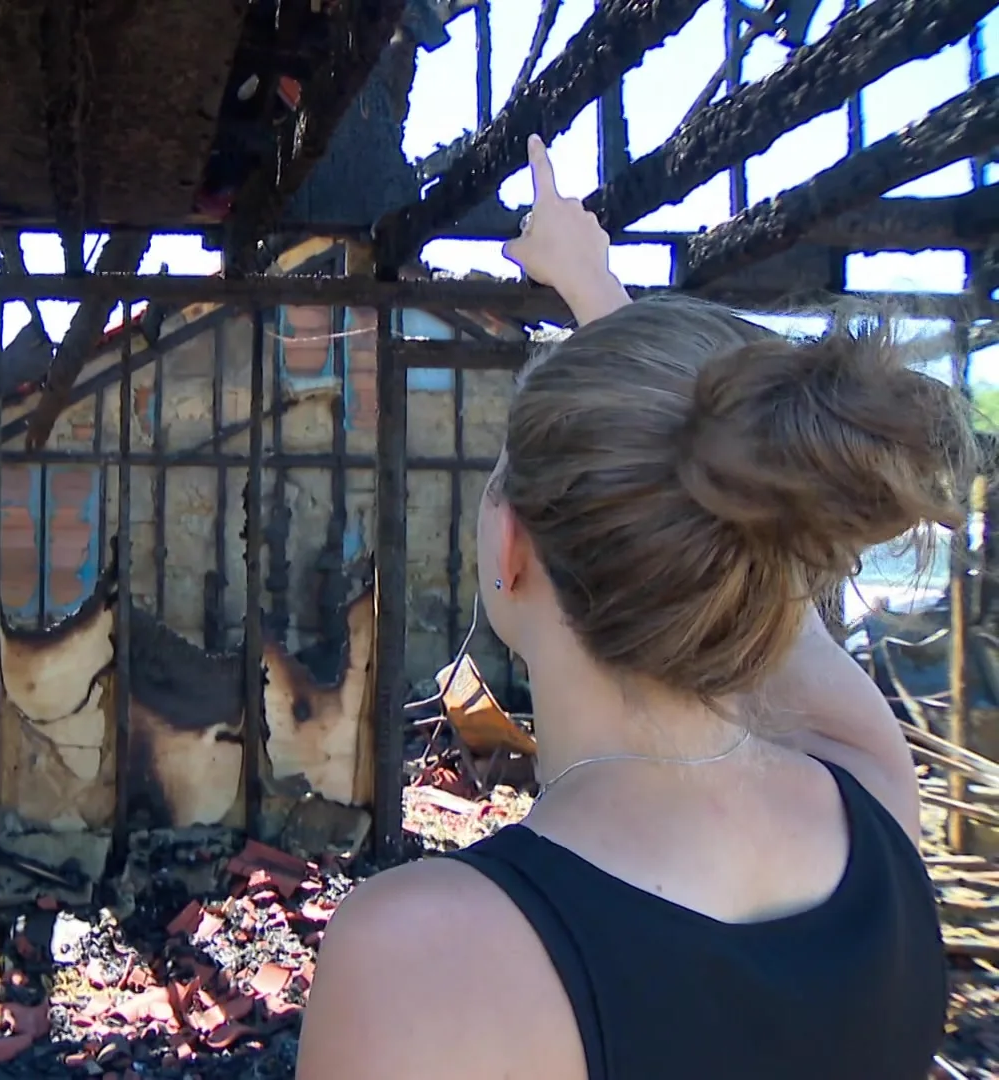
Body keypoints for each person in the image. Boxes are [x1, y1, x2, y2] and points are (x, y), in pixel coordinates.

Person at [298, 135, 965, 1080]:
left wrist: (592, 282)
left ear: (509, 548)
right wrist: (597, 294)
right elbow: (740, 516)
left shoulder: (423, 957)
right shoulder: (876, 804)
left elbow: (737, 504)